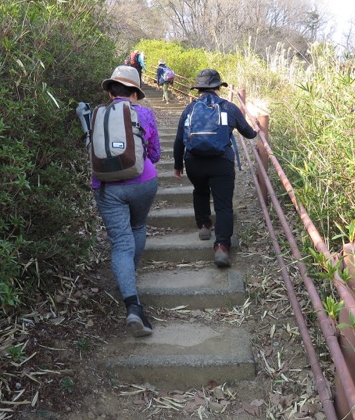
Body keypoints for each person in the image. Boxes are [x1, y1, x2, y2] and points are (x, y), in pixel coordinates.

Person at [92, 65, 160, 336]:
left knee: (121, 243)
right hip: (143, 182)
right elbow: (154, 154)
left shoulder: (96, 115)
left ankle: (133, 306)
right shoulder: (144, 113)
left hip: (106, 186)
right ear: (135, 93)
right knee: (138, 227)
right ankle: (128, 276)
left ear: (110, 93)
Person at [173, 69, 258, 268]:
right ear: (219, 87)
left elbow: (179, 140)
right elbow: (247, 133)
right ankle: (221, 246)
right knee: (223, 205)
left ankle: (203, 225)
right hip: (222, 162)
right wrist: (257, 132)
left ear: (198, 89)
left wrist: (178, 165)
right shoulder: (229, 107)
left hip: (193, 161)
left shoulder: (189, 109)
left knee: (200, 191)